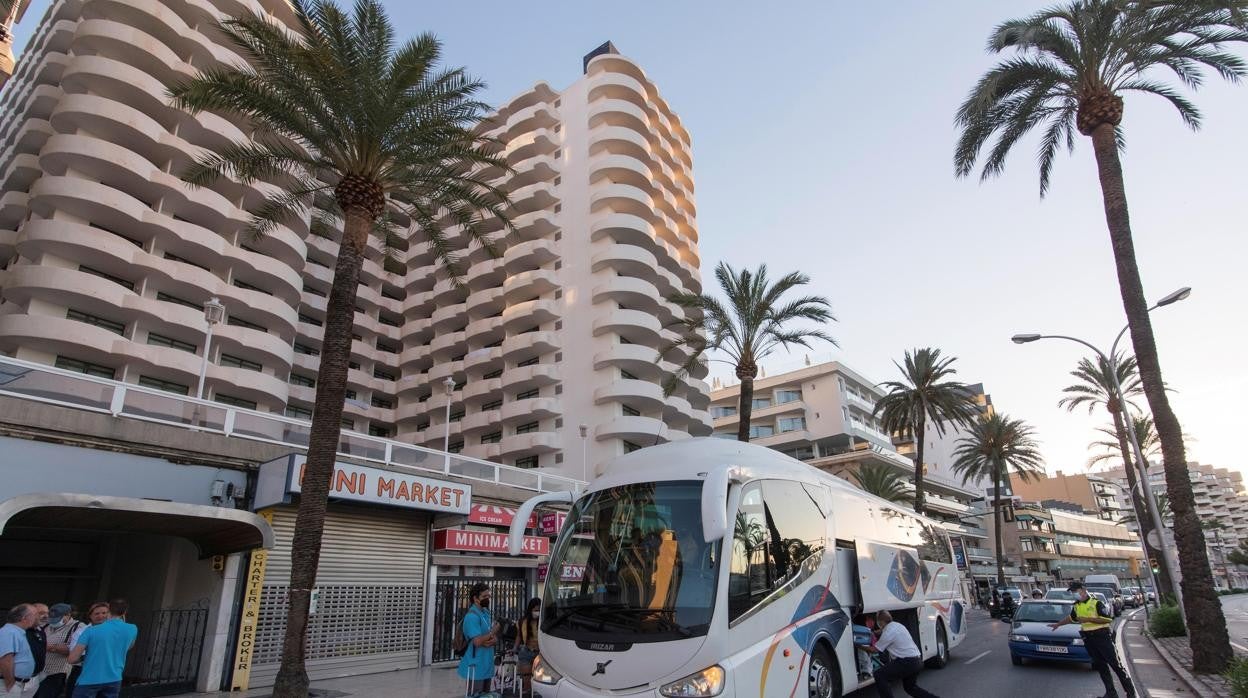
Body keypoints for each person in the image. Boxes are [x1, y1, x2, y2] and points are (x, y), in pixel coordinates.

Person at [1049, 581, 1136, 698]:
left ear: (1083, 590)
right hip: (1089, 638)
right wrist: (1058, 624)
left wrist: (1088, 619)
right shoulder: (1077, 605)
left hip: (1103, 637)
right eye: (1072, 592)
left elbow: (1107, 619)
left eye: (1075, 591)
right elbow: (1071, 618)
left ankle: (1131, 694)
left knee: (1116, 665)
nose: (1074, 593)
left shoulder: (1096, 603)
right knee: (1101, 665)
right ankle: (1111, 693)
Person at [855, 611, 940, 698]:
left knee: (880, 675)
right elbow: (882, 631)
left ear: (880, 622)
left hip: (907, 662)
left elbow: (874, 650)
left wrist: (858, 645)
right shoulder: (897, 625)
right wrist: (873, 633)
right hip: (917, 660)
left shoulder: (888, 633)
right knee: (910, 688)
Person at [67, 599, 138, 698]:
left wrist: (85, 657)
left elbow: (72, 659)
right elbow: (129, 647)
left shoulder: (90, 631)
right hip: (114, 678)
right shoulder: (132, 628)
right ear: (125, 612)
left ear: (109, 610)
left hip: (89, 679)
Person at [456, 583, 498, 697]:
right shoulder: (472, 616)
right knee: (475, 695)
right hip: (476, 666)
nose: (488, 599)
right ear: (475, 598)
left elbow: (488, 636)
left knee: (486, 695)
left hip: (486, 664)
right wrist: (492, 632)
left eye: (489, 596)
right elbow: (478, 641)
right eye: (484, 597)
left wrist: (494, 639)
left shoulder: (485, 613)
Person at [34, 604, 80, 698]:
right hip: (39, 670)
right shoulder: (46, 624)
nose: (53, 621)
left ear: (68, 615)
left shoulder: (77, 627)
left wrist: (49, 647)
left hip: (57, 672)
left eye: (57, 618)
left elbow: (74, 650)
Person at [64, 604, 108, 698]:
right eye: (97, 613)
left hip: (106, 673)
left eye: (104, 613)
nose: (100, 616)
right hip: (82, 671)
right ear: (90, 616)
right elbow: (74, 654)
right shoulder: (81, 631)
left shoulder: (114, 631)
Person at [1, 604, 37, 697]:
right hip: (8, 685)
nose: (36, 618)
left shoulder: (16, 631)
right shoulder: (9, 632)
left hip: (16, 684)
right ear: (24, 618)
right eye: (34, 615)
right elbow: (5, 660)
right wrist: (10, 683)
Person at [514, 598, 541, 698]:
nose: (537, 613)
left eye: (539, 610)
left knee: (540, 679)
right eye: (535, 610)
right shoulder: (522, 621)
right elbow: (519, 636)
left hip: (540, 654)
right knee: (526, 679)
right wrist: (514, 648)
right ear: (530, 610)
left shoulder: (544, 622)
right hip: (526, 652)